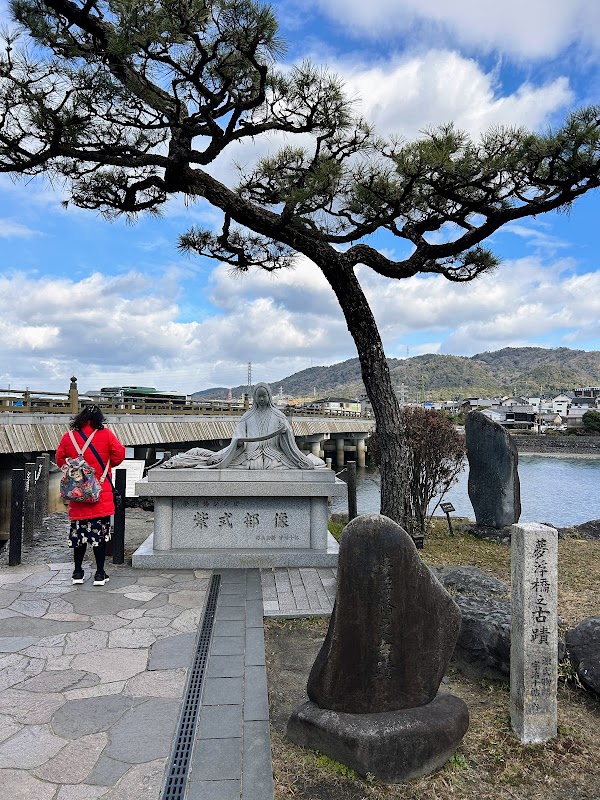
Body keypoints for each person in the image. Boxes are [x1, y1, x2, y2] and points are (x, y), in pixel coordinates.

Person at [161, 382, 325, 470]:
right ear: (255, 398)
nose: (262, 399)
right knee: (211, 460)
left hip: (274, 456)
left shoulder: (279, 416)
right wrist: (239, 442)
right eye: (259, 397)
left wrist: (285, 432)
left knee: (299, 464)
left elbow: (288, 439)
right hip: (249, 456)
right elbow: (238, 437)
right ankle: (189, 456)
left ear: (269, 396)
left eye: (264, 396)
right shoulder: (247, 416)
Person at [56, 405, 125, 586]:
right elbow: (119, 455)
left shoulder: (69, 437)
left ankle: (77, 573)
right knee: (98, 536)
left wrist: (75, 471)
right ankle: (100, 574)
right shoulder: (106, 435)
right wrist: (104, 466)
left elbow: (60, 460)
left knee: (78, 536)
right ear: (99, 419)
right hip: (99, 493)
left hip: (77, 495)